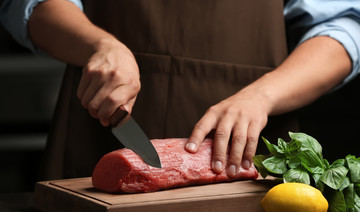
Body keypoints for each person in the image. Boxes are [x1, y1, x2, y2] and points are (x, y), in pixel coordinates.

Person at [0, 0, 359, 180]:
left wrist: (264, 95)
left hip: (254, 132)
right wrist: (97, 45)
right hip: (101, 116)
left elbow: (346, 23)